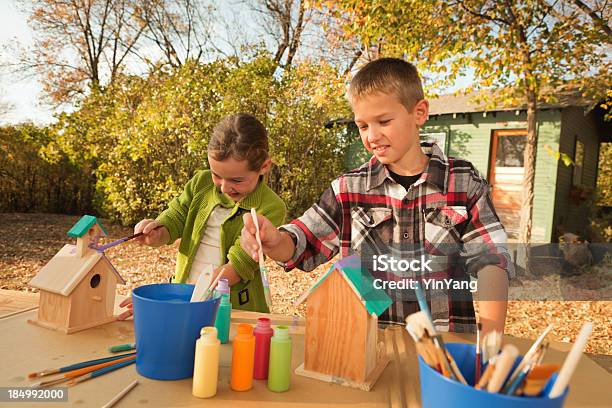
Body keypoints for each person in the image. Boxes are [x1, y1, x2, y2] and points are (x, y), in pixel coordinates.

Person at [241, 58, 513, 335]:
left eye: (383, 121)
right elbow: (302, 243)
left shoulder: (464, 182)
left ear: (419, 113)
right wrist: (274, 240)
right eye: (362, 126)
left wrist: (490, 340)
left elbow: (491, 262)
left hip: (445, 353)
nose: (372, 136)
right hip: (367, 348)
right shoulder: (348, 190)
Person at [118, 113, 286, 319]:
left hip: (233, 311)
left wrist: (177, 303)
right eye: (217, 175)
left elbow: (240, 263)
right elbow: (177, 215)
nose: (224, 187)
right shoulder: (201, 183)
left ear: (264, 167)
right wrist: (157, 232)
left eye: (237, 180)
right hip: (187, 297)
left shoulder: (270, 207)